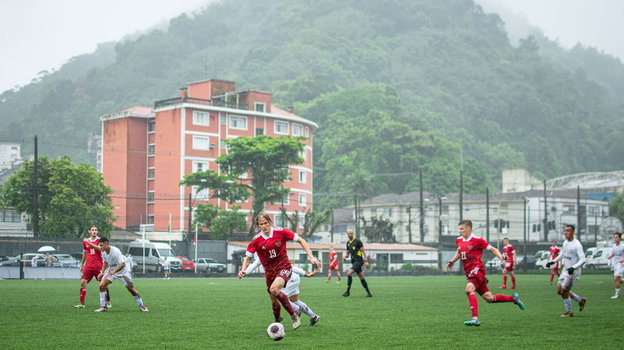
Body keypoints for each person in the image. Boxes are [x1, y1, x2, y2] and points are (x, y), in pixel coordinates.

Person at [238, 212, 321, 330]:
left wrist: (311, 257)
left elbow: (301, 240)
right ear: (258, 225)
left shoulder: (280, 232)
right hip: (270, 272)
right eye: (261, 224)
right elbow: (248, 258)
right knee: (274, 300)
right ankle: (277, 320)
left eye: (266, 223)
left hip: (284, 267)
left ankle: (294, 316)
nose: (264, 226)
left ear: (270, 222)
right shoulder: (256, 240)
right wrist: (243, 270)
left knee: (274, 289)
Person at [445, 220, 525, 327]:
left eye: (462, 229)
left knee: (468, 289)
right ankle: (514, 298)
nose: (460, 231)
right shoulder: (459, 240)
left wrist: (501, 257)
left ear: (468, 229)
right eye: (459, 229)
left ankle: (475, 319)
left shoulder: (477, 240)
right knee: (489, 298)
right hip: (469, 272)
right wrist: (452, 261)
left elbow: (493, 249)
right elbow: (459, 252)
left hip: (477, 269)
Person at [246, 258, 321, 326]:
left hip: (289, 279)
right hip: (294, 278)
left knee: (278, 298)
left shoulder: (272, 253)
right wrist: (244, 272)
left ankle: (297, 310)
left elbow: (290, 267)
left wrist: (306, 274)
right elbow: (252, 267)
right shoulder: (262, 255)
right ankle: (313, 316)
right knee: (294, 300)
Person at [86, 237, 148, 312]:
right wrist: (102, 272)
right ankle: (103, 306)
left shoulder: (115, 251)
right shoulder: (103, 252)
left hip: (122, 272)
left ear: (106, 244)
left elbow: (123, 264)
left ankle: (141, 305)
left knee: (131, 289)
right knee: (102, 285)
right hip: (112, 272)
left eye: (101, 245)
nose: (100, 247)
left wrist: (114, 271)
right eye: (99, 246)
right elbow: (105, 262)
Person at [546, 225, 587, 317]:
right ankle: (580, 300)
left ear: (573, 232)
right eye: (565, 231)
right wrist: (552, 261)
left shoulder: (577, 245)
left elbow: (583, 259)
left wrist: (573, 267)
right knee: (559, 291)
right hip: (565, 270)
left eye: (568, 231)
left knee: (564, 292)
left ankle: (569, 312)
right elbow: (562, 255)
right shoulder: (565, 243)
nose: (566, 232)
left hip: (572, 272)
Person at [74, 225, 110, 309]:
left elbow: (99, 249)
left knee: (103, 284)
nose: (94, 231)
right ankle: (82, 303)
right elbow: (85, 253)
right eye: (92, 230)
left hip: (98, 266)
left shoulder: (100, 241)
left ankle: (108, 301)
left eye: (96, 230)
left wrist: (89, 243)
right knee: (83, 283)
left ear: (97, 232)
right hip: (88, 266)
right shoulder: (85, 242)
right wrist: (82, 265)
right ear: (89, 231)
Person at [342, 229, 372, 297]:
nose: (349, 235)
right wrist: (345, 257)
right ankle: (369, 293)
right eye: (348, 234)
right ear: (347, 235)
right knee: (361, 276)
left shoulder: (357, 241)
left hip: (359, 261)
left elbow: (363, 251)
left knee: (349, 273)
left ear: (353, 234)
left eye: (351, 233)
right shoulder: (348, 243)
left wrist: (366, 261)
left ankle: (347, 292)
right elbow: (347, 253)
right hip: (354, 262)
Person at [607, 232, 624, 299]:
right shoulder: (614, 246)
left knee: (616, 278)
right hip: (616, 264)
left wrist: (623, 260)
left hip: (622, 264)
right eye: (614, 237)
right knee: (618, 280)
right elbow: (614, 253)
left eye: (616, 237)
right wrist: (610, 256)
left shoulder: (623, 246)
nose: (615, 239)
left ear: (619, 238)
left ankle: (617, 295)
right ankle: (617, 294)